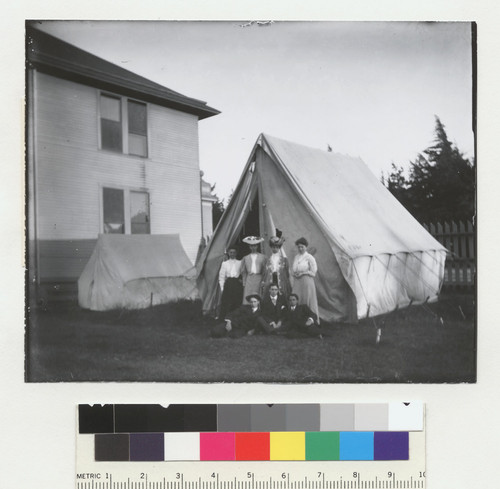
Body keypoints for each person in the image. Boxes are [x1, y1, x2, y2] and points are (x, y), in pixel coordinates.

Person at [291, 237, 319, 321]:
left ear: (306, 247)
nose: (300, 249)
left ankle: (310, 320)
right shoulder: (296, 257)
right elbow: (294, 269)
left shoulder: (309, 257)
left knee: (306, 299)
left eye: (302, 247)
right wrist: (295, 273)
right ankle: (298, 321)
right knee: (297, 299)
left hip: (306, 280)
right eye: (299, 247)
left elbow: (313, 271)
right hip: (297, 281)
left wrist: (303, 273)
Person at [241, 236, 267, 304]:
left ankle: (258, 310)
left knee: (258, 293)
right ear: (249, 247)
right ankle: (248, 309)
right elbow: (244, 272)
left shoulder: (263, 257)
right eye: (251, 246)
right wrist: (244, 282)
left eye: (254, 246)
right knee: (248, 294)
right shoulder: (246, 258)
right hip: (249, 278)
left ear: (257, 246)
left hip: (259, 277)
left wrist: (263, 280)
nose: (253, 247)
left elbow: (265, 270)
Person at [218, 247, 243, 319]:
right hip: (228, 283)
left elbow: (243, 273)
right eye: (231, 252)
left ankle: (236, 319)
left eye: (234, 252)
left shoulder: (240, 262)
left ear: (236, 253)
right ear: (228, 253)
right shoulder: (224, 263)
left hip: (237, 283)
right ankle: (226, 319)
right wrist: (222, 288)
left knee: (237, 301)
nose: (232, 254)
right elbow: (221, 276)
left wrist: (241, 280)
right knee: (227, 302)